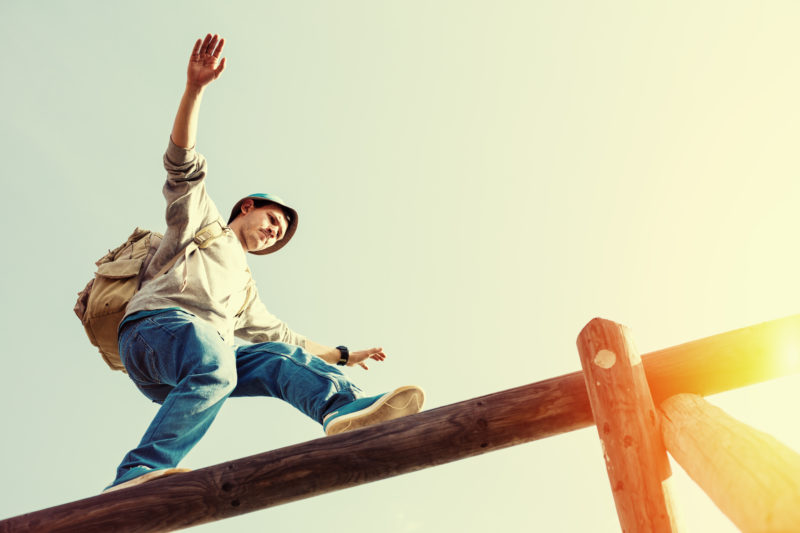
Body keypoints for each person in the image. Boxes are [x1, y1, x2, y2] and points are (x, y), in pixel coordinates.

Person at [104, 33, 424, 492]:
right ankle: (138, 472)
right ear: (248, 206)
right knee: (217, 364)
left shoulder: (245, 290)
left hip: (191, 368)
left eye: (280, 233)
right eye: (273, 220)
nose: (274, 232)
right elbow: (182, 166)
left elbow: (284, 337)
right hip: (153, 332)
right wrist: (195, 90)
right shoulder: (203, 222)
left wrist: (346, 355)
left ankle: (342, 409)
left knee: (278, 358)